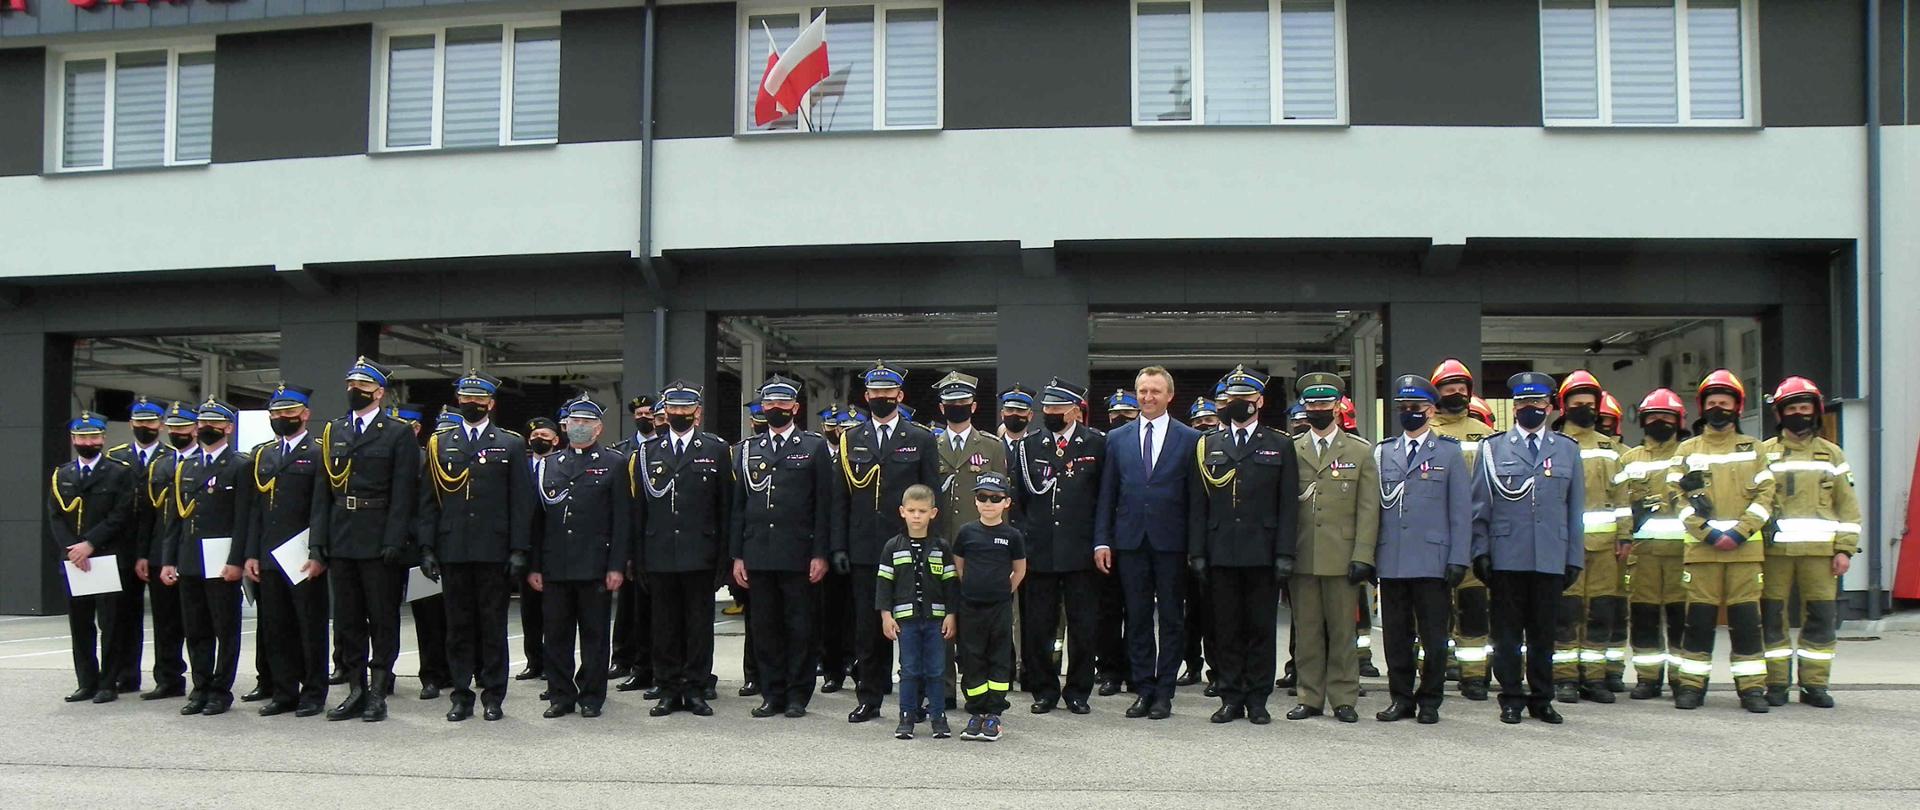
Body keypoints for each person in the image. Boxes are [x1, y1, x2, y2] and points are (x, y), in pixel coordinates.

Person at [417, 371, 534, 722]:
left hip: (493, 549)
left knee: (492, 624)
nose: (471, 404)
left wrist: (518, 549)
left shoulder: (510, 443)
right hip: (453, 548)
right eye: (466, 399)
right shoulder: (441, 443)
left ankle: (493, 694)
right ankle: (461, 694)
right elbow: (429, 501)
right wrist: (426, 547)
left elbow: (521, 501)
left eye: (478, 400)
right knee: (458, 626)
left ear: (490, 404)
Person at [1471, 371, 1585, 725]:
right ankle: (1510, 698)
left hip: (1550, 556)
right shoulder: (1493, 448)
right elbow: (1480, 507)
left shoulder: (1566, 450)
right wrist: (1481, 552)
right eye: (1522, 402)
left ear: (1550, 406)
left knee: (1543, 635)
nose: (1529, 408)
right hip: (1507, 556)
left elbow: (1575, 510)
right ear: (1514, 406)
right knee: (1506, 636)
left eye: (1536, 402)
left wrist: (1573, 558)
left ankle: (1542, 697)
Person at [312, 357, 421, 722]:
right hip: (343, 536)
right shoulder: (335, 430)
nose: (353, 391)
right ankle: (355, 690)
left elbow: (404, 492)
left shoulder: (397, 432)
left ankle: (378, 692)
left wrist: (395, 538)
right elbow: (324, 493)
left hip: (379, 538)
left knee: (382, 618)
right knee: (347, 619)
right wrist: (318, 541)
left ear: (379, 392)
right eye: (350, 385)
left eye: (362, 386)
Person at [1188, 366, 1298, 725]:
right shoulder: (1208, 444)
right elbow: (1197, 504)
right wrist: (1198, 551)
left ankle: (1258, 698)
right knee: (1226, 629)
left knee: (1261, 628)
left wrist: (1285, 553)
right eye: (1232, 399)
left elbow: (1287, 505)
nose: (1238, 405)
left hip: (1262, 552)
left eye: (1245, 400)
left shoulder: (1279, 444)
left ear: (1259, 402)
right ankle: (1230, 696)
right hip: (1220, 550)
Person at [834, 362, 941, 723]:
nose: (881, 398)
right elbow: (841, 498)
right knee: (868, 628)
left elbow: (930, 494)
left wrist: (931, 544)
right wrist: (839, 546)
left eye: (888, 393)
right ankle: (870, 696)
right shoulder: (850, 439)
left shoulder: (922, 438)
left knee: (917, 624)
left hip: (910, 547)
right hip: (864, 547)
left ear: (900, 396)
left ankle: (919, 699)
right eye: (875, 393)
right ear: (866, 397)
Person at [1095, 366, 1201, 720]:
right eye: (1142, 391)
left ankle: (1164, 692)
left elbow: (1196, 499)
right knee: (1137, 618)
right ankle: (1143, 688)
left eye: (1155, 391)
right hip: (1130, 541)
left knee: (1172, 618)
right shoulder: (1117, 438)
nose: (1147, 398)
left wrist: (1195, 546)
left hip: (1172, 543)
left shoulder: (1190, 439)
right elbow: (1107, 494)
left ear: (1170, 395)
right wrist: (1102, 541)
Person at [1668, 370, 1775, 713]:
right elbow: (1675, 498)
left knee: (1747, 623)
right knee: (1697, 623)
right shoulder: (1687, 450)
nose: (1718, 409)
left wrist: (1741, 532)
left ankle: (1752, 690)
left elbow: (1766, 496)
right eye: (1712, 403)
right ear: (1702, 408)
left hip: (1744, 553)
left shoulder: (1755, 449)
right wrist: (1709, 533)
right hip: (1702, 553)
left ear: (1737, 408)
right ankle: (1691, 687)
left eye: (1724, 403)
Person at [731, 374, 834, 718]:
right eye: (769, 403)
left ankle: (796, 694)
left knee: (799, 626)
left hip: (799, 554)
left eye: (782, 402)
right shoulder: (748, 449)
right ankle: (771, 692)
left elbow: (824, 505)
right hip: (758, 553)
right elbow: (739, 506)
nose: (775, 408)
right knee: (765, 627)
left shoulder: (813, 446)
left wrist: (820, 553)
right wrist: (738, 555)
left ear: (795, 407)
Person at [1372, 375, 1471, 724]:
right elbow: (1375, 511)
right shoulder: (1384, 452)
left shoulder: (1449, 452)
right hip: (1393, 559)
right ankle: (1400, 698)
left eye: (1415, 407)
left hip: (1433, 560)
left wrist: (1459, 557)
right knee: (1396, 637)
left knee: (1434, 637)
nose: (1409, 413)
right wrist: (1370, 556)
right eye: (1403, 408)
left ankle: (1430, 699)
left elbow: (1461, 511)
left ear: (1431, 409)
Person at [527, 395, 629, 719]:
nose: (580, 427)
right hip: (556, 565)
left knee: (595, 636)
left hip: (595, 565)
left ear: (598, 428)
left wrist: (616, 566)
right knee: (556, 634)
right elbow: (537, 521)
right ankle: (560, 694)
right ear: (565, 426)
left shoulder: (614, 463)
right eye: (575, 422)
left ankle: (591, 695)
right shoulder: (549, 465)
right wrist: (535, 566)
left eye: (587, 422)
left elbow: (621, 520)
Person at [1759, 376, 1858, 709]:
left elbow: (1848, 506)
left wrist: (1844, 548)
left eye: (1804, 408)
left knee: (1821, 617)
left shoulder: (1832, 455)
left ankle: (1814, 684)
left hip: (1820, 554)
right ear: (1780, 414)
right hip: (1773, 553)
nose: (1798, 414)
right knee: (1772, 617)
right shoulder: (1764, 454)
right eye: (1792, 408)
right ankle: (1775, 683)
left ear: (1815, 412)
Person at [635, 381, 731, 717]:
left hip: (700, 554)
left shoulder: (716, 449)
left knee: (698, 626)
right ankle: (668, 688)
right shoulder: (648, 452)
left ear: (698, 413)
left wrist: (723, 558)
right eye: (673, 409)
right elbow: (640, 510)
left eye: (685, 409)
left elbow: (725, 508)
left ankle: (695, 689)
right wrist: (640, 558)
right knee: (664, 627)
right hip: (660, 553)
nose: (678, 414)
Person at [1287, 372, 1378, 724]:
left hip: (1343, 558)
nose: (1318, 409)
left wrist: (1363, 556)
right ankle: (1310, 696)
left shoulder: (1360, 451)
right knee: (1307, 631)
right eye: (1312, 404)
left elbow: (1369, 510)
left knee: (1343, 632)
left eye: (1325, 404)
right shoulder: (1291, 449)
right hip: (1303, 553)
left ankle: (1343, 697)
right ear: (1304, 408)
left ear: (1337, 407)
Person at [1012, 378, 1107, 715]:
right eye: (1046, 408)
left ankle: (1078, 690)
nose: (1048, 413)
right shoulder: (1028, 447)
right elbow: (1018, 500)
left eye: (1055, 408)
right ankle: (1044, 689)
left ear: (1074, 410)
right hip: (1040, 551)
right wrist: (1024, 539)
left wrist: (1101, 542)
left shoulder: (1096, 444)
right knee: (1038, 625)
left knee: (1083, 626)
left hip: (1080, 551)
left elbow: (1103, 499)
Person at [240, 384, 331, 718]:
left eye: (288, 413)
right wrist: (251, 553)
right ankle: (283, 691)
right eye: (276, 414)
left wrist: (319, 551)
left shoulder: (319, 451)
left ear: (304, 415)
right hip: (269, 554)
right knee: (275, 626)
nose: (281, 419)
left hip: (303, 554)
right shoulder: (263, 454)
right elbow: (256, 509)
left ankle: (313, 692)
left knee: (309, 626)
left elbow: (322, 507)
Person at [160, 399, 249, 717]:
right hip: (190, 558)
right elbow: (175, 519)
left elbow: (243, 519)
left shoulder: (240, 465)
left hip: (221, 560)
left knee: (225, 629)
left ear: (228, 428)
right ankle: (200, 687)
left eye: (215, 423)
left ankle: (220, 690)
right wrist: (168, 560)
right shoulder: (187, 466)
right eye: (203, 423)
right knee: (195, 629)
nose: (207, 428)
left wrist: (237, 560)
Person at [1551, 371, 1632, 704]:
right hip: (1564, 547)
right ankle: (1566, 679)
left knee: (1600, 612)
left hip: (1605, 550)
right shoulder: (1553, 443)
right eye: (1577, 403)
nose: (1584, 408)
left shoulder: (1610, 449)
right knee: (1566, 614)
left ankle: (1594, 678)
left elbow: (1622, 496)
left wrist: (1624, 536)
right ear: (1564, 406)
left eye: (1589, 404)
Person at [48, 410, 136, 705]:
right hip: (74, 559)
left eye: (94, 436)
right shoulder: (63, 474)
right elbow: (56, 516)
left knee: (110, 624)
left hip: (106, 556)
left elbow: (121, 514)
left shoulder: (119, 472)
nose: (88, 441)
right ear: (73, 440)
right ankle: (86, 681)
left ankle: (109, 682)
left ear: (103, 439)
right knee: (80, 623)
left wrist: (90, 544)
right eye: (82, 437)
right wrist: (74, 548)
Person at [1429, 358, 1496, 700]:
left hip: (1474, 535)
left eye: (1461, 388)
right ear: (1436, 393)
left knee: (1473, 606)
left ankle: (1473, 675)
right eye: (1448, 388)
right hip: (1436, 537)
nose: (1455, 393)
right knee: (1433, 610)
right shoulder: (1425, 432)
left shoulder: (1487, 435)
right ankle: (1433, 671)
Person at [1617, 389, 1689, 700]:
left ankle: (1681, 678)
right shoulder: (1629, 460)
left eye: (1666, 416)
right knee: (1644, 618)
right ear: (1644, 421)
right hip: (1642, 556)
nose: (1659, 421)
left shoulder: (1689, 455)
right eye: (1654, 416)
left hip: (1682, 555)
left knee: (1680, 619)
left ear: (1678, 420)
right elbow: (1619, 503)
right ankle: (1647, 678)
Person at [878, 484, 957, 740]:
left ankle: (938, 716)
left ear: (933, 513)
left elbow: (950, 584)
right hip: (906, 622)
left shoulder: (941, 547)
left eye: (922, 511)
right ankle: (906, 717)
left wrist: (951, 614)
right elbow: (884, 585)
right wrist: (886, 616)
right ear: (902, 511)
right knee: (909, 669)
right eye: (911, 510)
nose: (916, 516)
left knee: (936, 669)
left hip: (935, 621)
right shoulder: (892, 546)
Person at [953, 472, 1027, 742]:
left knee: (998, 656)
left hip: (999, 607)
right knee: (972, 658)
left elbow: (1019, 569)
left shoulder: (1012, 535)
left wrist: (1003, 590)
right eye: (983, 497)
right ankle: (976, 712)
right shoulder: (966, 532)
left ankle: (994, 712)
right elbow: (958, 565)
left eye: (995, 498)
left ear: (1006, 502)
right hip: (970, 606)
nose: (988, 503)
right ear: (976, 501)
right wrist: (972, 585)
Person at [104, 396, 167, 696]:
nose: (145, 427)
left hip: (156, 544)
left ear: (161, 425)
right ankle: (124, 674)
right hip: (122, 546)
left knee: (166, 617)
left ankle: (167, 676)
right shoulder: (116, 457)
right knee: (122, 615)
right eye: (140, 422)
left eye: (151, 422)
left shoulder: (169, 457)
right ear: (131, 424)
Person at [138, 402, 197, 701]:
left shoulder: (206, 459)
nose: (177, 433)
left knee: (198, 623)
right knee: (164, 621)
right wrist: (144, 554)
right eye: (173, 428)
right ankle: (168, 678)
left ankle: (204, 680)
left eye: (183, 428)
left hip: (195, 553)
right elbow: (149, 515)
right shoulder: (160, 465)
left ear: (196, 428)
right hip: (162, 552)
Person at [610, 395, 657, 692]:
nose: (645, 416)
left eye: (649, 412)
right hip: (631, 537)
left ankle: (653, 665)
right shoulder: (621, 452)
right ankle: (623, 659)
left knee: (654, 610)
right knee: (628, 607)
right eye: (639, 412)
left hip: (657, 538)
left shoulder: (661, 448)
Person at [519, 416, 560, 689]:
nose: (539, 439)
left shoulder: (561, 464)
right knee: (528, 608)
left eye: (545, 435)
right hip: (526, 543)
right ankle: (533, 660)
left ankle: (552, 662)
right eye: (535, 435)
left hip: (554, 543)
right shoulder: (521, 464)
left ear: (556, 439)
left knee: (554, 610)